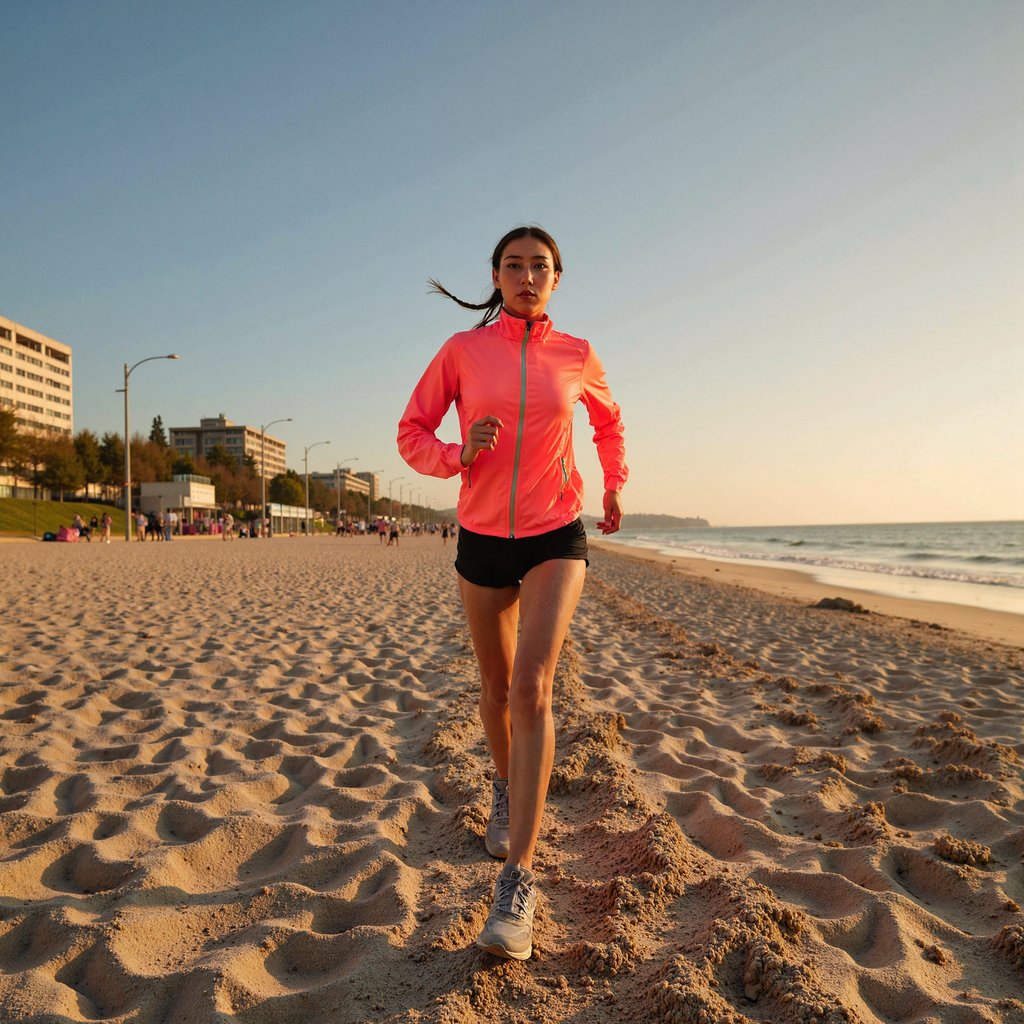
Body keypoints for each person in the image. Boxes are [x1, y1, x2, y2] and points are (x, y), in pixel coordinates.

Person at [397, 225, 627, 960]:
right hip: (483, 539)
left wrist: (613, 483)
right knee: (494, 690)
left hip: (557, 533)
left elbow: (609, 421)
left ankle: (517, 881)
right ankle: (504, 785)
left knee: (533, 687)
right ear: (495, 277)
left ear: (558, 278)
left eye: (541, 267)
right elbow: (410, 431)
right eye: (514, 265)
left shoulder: (577, 354)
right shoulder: (462, 353)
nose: (527, 276)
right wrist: (455, 456)